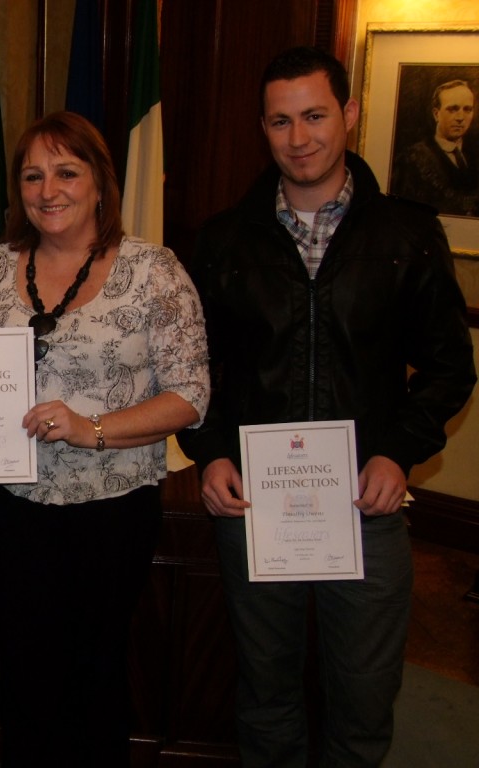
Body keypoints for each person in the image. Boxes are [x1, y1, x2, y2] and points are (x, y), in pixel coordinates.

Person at [176, 47, 477, 767]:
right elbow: (192, 368)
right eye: (281, 121)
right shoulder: (222, 240)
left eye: (315, 115)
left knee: (365, 694)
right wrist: (211, 450)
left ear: (348, 114)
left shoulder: (406, 234)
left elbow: (448, 369)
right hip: (257, 504)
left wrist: (397, 451)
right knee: (267, 690)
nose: (299, 137)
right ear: (263, 128)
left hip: (365, 505)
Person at [0, 111, 210, 768]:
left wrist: (91, 428)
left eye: (67, 172)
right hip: (13, 506)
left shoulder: (155, 272)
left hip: (112, 509)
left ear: (100, 181)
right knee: (22, 670)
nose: (49, 190)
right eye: (33, 175)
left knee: (94, 672)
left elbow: (191, 396)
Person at [390, 78, 478, 216]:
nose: (461, 117)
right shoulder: (411, 160)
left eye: (467, 109)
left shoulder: (474, 155)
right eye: (452, 109)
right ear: (436, 114)